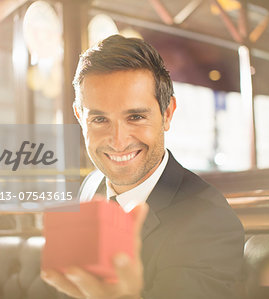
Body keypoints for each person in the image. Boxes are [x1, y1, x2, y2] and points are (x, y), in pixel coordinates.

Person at [41, 34, 244, 299]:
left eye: (135, 117)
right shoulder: (91, 185)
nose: (118, 141)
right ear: (80, 117)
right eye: (100, 119)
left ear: (167, 113)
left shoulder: (209, 220)